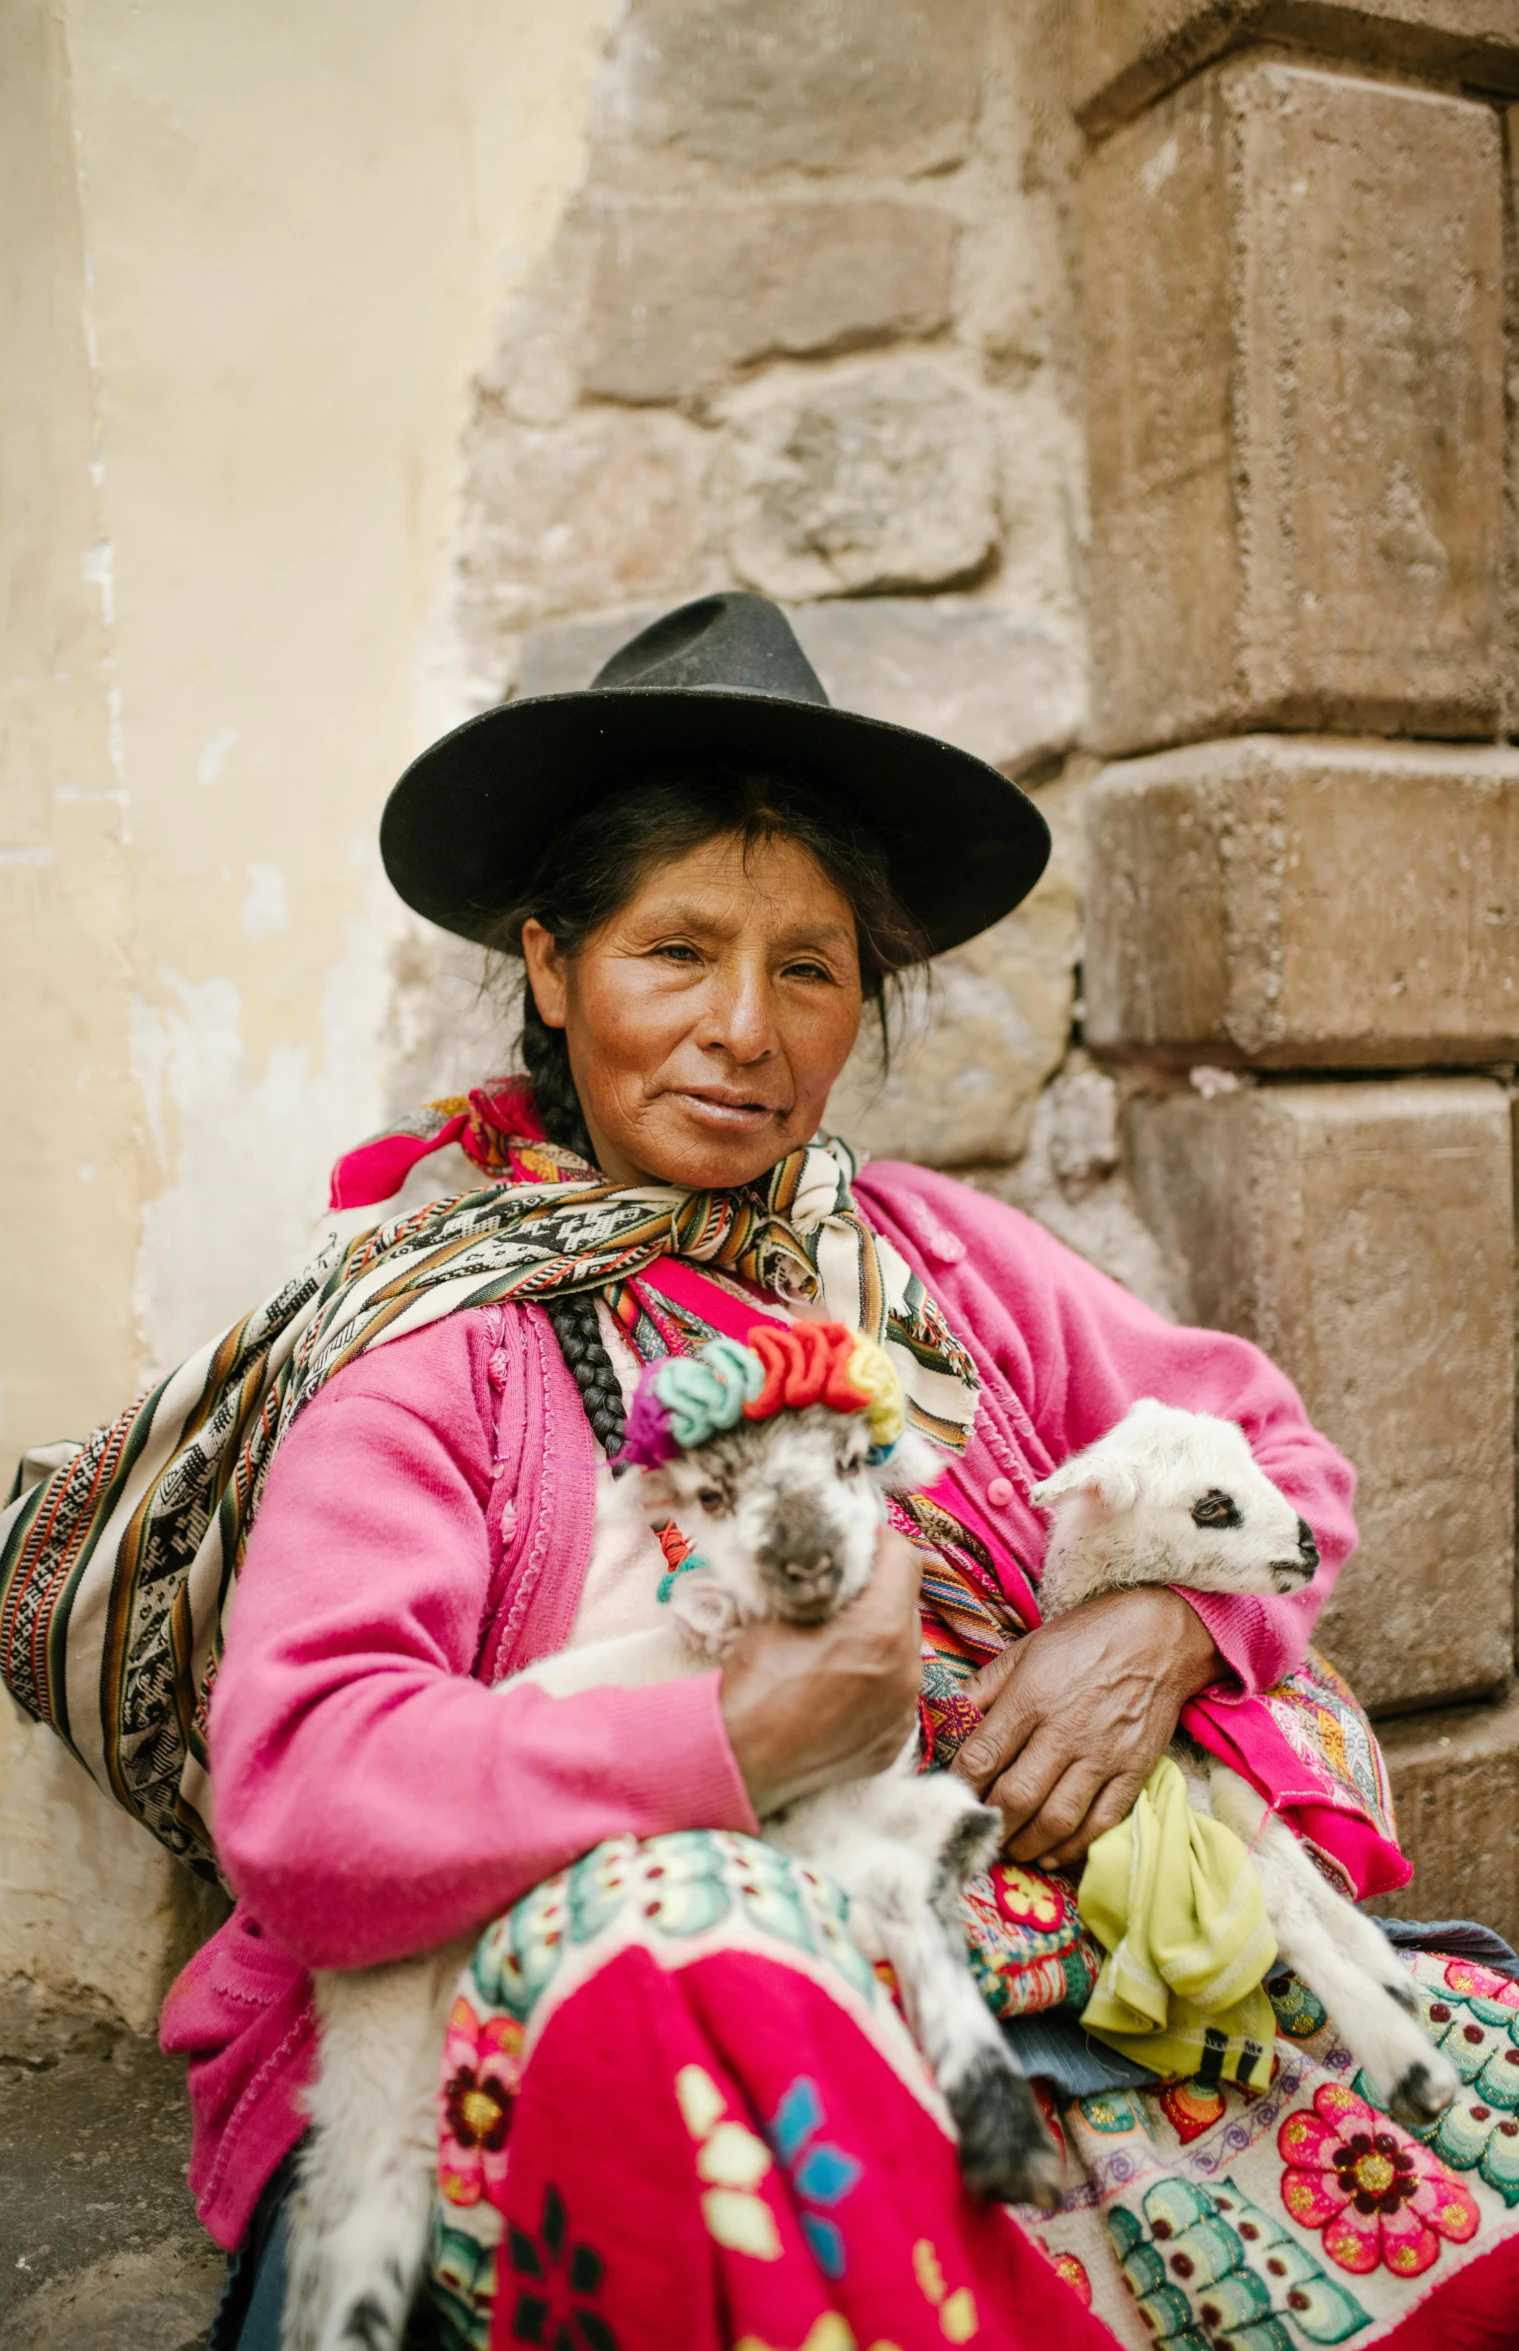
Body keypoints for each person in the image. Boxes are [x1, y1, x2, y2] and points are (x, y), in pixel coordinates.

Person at [165, 595, 1519, 2349]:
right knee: (684, 1946)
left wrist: (1166, 1632)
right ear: (550, 965)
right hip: (648, 2029)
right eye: (675, 951)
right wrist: (737, 1741)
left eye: (807, 968)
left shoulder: (928, 1254)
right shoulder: (447, 1341)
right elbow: (304, 1792)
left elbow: (1268, 1459)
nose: (745, 1026)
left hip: (1042, 1982)